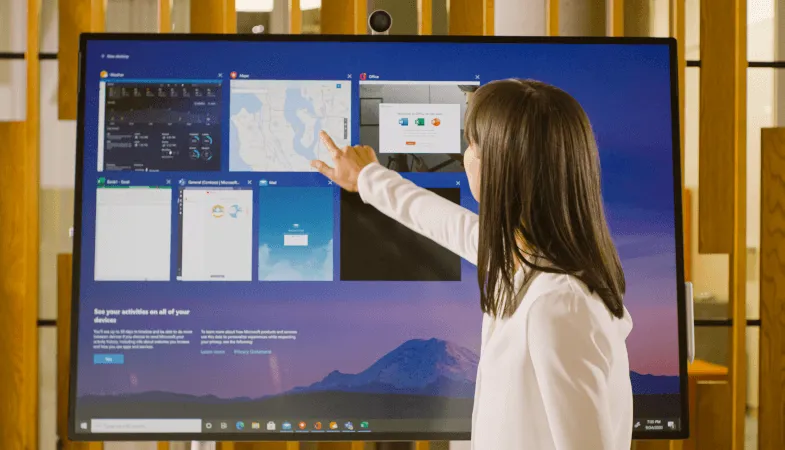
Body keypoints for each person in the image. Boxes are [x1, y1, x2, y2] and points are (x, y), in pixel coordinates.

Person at [311, 78, 633, 450]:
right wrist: (368, 177)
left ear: (502, 169)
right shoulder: (523, 260)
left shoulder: (557, 305)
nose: (466, 154)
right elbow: (445, 222)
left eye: (472, 145)